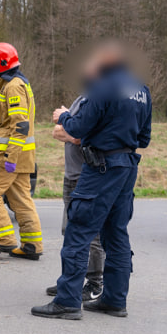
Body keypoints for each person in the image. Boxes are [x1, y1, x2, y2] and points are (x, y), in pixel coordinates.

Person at [32, 41, 152, 320]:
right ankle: (114, 300)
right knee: (116, 233)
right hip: (127, 166)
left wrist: (64, 115)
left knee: (79, 230)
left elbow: (76, 126)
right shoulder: (141, 90)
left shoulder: (103, 87)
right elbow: (144, 138)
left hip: (101, 167)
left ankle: (67, 301)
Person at [0, 42, 42, 259]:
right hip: (21, 155)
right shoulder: (15, 84)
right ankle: (32, 245)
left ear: (2, 64)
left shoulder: (13, 87)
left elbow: (20, 125)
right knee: (21, 198)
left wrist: (10, 157)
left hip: (7, 156)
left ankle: (3, 240)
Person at [44, 96, 105, 301]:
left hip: (85, 176)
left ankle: (96, 282)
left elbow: (83, 135)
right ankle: (71, 280)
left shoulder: (99, 98)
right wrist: (67, 125)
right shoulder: (82, 98)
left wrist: (68, 128)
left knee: (90, 234)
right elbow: (60, 131)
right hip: (71, 175)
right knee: (69, 231)